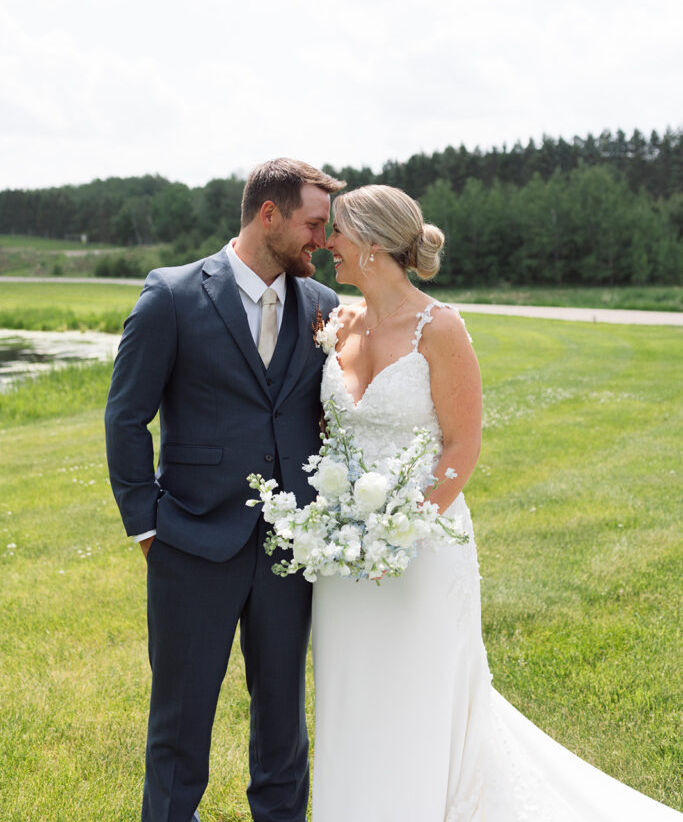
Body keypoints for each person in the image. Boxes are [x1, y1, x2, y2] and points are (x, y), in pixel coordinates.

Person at [311, 184, 679, 822]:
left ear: (371, 243)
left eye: (337, 231)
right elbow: (329, 435)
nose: (326, 244)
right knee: (351, 691)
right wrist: (343, 524)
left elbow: (462, 445)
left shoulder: (439, 326)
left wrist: (402, 531)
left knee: (421, 693)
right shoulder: (340, 322)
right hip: (342, 556)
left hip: (422, 550)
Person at [105, 158, 344, 822]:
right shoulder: (173, 295)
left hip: (286, 552)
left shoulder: (323, 307)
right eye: (312, 225)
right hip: (188, 544)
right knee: (179, 731)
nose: (320, 241)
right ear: (269, 215)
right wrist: (146, 526)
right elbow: (126, 417)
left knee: (282, 731)